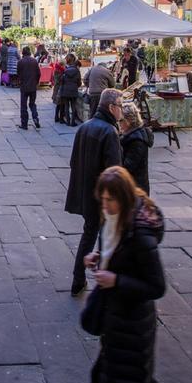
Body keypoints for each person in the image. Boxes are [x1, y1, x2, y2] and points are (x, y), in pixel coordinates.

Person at [82, 166, 173, 383]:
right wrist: (99, 258)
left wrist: (116, 280)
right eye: (102, 199)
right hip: (119, 318)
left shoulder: (141, 234)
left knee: (120, 381)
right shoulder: (117, 218)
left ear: (123, 197)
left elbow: (157, 287)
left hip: (131, 321)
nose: (105, 206)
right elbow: (120, 253)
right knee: (131, 378)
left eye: (110, 200)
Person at [65, 88, 124, 296]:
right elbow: (114, 172)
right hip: (102, 199)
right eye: (120, 106)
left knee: (89, 234)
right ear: (111, 107)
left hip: (84, 192)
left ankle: (78, 280)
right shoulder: (109, 132)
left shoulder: (85, 127)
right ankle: (105, 280)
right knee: (106, 236)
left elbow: (73, 162)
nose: (122, 111)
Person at [119, 102, 153, 193]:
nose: (119, 124)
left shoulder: (137, 141)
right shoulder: (130, 135)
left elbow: (127, 167)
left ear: (129, 120)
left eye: (121, 120)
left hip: (136, 189)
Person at [16, 45, 41, 130]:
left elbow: (18, 74)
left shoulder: (20, 62)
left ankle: (24, 124)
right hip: (33, 86)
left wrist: (20, 81)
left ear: (23, 53)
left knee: (23, 105)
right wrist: (36, 82)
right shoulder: (34, 61)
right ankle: (35, 118)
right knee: (32, 104)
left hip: (24, 86)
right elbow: (39, 73)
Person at [59, 53, 83, 126]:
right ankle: (73, 122)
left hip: (66, 90)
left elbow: (61, 80)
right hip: (73, 90)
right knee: (73, 106)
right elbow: (79, 82)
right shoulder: (77, 71)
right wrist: (76, 86)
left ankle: (68, 121)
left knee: (66, 106)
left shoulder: (66, 71)